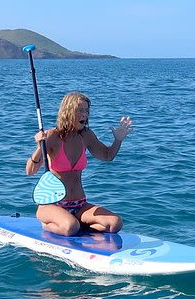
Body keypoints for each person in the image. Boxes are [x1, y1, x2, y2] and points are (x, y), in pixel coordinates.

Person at [25, 91, 132, 236]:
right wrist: (39, 147)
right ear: (68, 111)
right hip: (53, 205)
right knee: (70, 227)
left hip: (80, 204)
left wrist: (118, 140)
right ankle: (48, 225)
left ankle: (75, 223)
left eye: (86, 111)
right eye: (80, 110)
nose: (85, 115)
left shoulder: (86, 135)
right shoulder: (52, 136)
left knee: (115, 223)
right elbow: (30, 171)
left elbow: (107, 156)